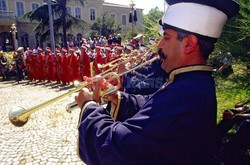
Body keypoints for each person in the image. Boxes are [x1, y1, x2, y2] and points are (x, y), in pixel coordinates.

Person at [75, 0, 240, 164]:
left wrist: (88, 106)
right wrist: (117, 97)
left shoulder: (187, 91)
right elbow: (154, 105)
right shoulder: (192, 82)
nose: (159, 46)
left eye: (166, 38)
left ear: (189, 44)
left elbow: (118, 149)